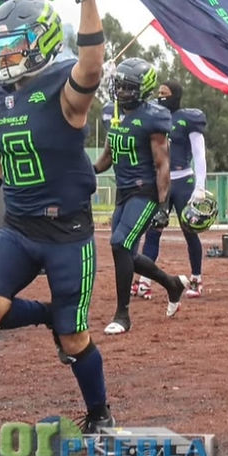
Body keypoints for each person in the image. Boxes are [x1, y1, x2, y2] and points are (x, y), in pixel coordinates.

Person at [0, 0, 114, 433]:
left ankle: (99, 412)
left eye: (16, 45)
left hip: (67, 232)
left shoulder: (63, 89)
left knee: (74, 340)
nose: (6, 56)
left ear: (43, 42)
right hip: (20, 227)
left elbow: (91, 65)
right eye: (1, 47)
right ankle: (50, 315)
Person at [93, 60, 189, 335]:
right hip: (123, 193)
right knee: (125, 252)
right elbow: (108, 156)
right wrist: (87, 171)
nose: (121, 91)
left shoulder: (153, 117)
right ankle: (172, 284)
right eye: (119, 85)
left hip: (145, 191)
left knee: (120, 243)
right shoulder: (114, 113)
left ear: (143, 89)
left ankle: (122, 315)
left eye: (128, 87)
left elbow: (162, 164)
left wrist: (163, 205)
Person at [134, 80, 209, 299]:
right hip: (161, 182)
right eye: (158, 92)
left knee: (190, 232)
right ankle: (145, 281)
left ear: (175, 95)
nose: (160, 96)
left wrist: (200, 186)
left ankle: (196, 278)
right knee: (153, 231)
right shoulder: (155, 117)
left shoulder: (187, 118)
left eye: (164, 93)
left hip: (183, 180)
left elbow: (199, 153)